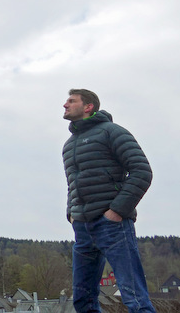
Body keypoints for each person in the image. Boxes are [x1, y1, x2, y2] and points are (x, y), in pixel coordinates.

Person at [62, 89, 155, 313]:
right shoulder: (68, 145)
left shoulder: (111, 132)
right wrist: (72, 214)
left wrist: (116, 212)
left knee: (134, 297)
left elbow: (142, 171)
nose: (65, 105)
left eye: (71, 101)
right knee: (83, 300)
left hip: (112, 225)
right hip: (83, 229)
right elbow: (72, 183)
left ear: (88, 107)